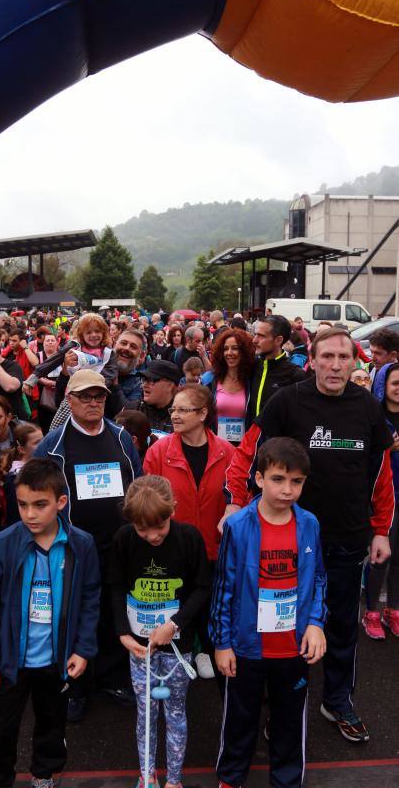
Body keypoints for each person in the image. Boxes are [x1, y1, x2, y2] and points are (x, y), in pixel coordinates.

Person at [224, 327, 394, 742]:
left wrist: (381, 530)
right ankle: (278, 707)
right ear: (311, 360)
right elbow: (249, 454)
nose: (335, 365)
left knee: (339, 626)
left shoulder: (368, 410)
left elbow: (381, 477)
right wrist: (234, 502)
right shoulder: (287, 401)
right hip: (284, 540)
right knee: (278, 625)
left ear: (356, 363)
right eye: (327, 357)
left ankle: (337, 700)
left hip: (346, 539)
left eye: (344, 357)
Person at [0, 458, 100, 788]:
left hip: (56, 659)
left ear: (61, 502)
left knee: (51, 722)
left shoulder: (81, 545)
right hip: (11, 660)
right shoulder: (2, 545)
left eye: (40, 505)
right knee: (2, 728)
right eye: (23, 504)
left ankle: (44, 772)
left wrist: (83, 648)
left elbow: (89, 598)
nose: (30, 514)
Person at [211, 437, 327, 788]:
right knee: (240, 719)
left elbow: (319, 577)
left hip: (293, 648)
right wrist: (222, 642)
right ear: (259, 479)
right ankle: (231, 778)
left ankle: (287, 781)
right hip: (247, 647)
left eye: (296, 482)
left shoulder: (309, 524)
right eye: (278, 479)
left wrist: (316, 623)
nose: (287, 489)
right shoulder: (238, 526)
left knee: (290, 720)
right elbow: (224, 589)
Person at [34, 370, 142, 721]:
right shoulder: (51, 444)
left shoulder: (122, 438)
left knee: (113, 613)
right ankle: (76, 685)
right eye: (85, 397)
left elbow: (137, 485)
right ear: (69, 401)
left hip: (117, 544)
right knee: (74, 616)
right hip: (71, 547)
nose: (94, 403)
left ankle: (112, 679)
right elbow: (35, 496)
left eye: (99, 396)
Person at [109, 475, 211, 788]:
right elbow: (114, 587)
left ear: (173, 511)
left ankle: (175, 780)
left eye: (160, 527)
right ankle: (147, 775)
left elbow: (203, 588)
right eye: (143, 529)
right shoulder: (124, 539)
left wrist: (175, 623)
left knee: (176, 711)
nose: (153, 536)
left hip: (178, 648)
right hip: (140, 646)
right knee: (146, 712)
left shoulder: (190, 538)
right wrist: (123, 633)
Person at [143, 385, 234, 684]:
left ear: (203, 414)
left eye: (183, 410)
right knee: (178, 600)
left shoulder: (228, 452)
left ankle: (205, 649)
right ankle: (182, 650)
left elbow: (237, 497)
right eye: (173, 410)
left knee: (210, 599)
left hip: (214, 544)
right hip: (174, 546)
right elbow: (148, 496)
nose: (175, 415)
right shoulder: (159, 451)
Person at [362, 362, 399, 639]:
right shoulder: (374, 416)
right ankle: (372, 612)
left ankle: (393, 611)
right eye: (395, 383)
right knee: (380, 557)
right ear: (383, 385)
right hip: (384, 496)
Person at [246, 315, 307, 429]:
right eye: (255, 335)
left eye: (261, 336)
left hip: (277, 444)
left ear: (278, 340)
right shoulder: (250, 365)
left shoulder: (296, 375)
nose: (254, 340)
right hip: (249, 443)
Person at [202, 328, 255, 445]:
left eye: (235, 348)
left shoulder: (253, 380)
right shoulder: (209, 379)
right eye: (225, 349)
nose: (229, 353)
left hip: (245, 448)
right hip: (215, 446)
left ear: (244, 351)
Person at [123, 360, 181, 438]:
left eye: (151, 380)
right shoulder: (132, 410)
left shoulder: (183, 416)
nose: (144, 385)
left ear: (170, 385)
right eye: (144, 379)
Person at [3, 423, 44, 526]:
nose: (43, 444)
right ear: (21, 449)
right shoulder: (15, 479)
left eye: (44, 439)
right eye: (37, 442)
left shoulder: (44, 468)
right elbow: (15, 518)